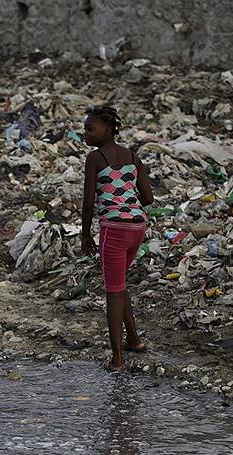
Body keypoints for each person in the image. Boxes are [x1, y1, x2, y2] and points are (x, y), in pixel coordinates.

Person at [81, 106, 154, 372]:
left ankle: (118, 360)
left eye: (90, 128)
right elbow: (148, 198)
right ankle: (134, 340)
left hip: (113, 229)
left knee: (113, 291)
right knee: (120, 284)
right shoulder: (132, 156)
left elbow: (88, 203)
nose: (85, 133)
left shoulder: (96, 158)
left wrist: (85, 234)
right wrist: (126, 197)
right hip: (137, 226)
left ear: (108, 129)